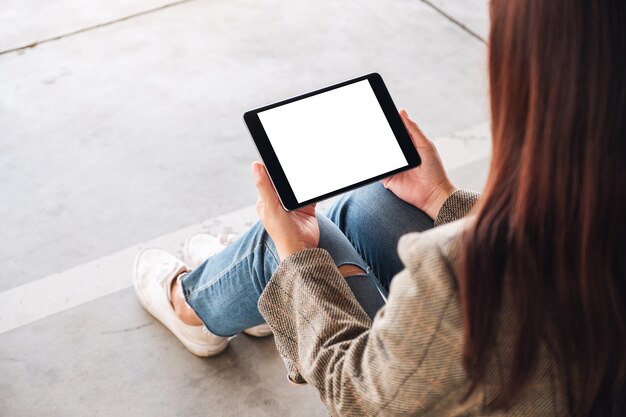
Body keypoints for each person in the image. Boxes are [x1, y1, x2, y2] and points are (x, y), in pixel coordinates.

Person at [132, 0, 626, 415]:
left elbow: (358, 395)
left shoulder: (460, 275)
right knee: (372, 205)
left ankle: (191, 305)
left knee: (296, 238)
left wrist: (297, 261)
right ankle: (261, 295)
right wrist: (440, 200)